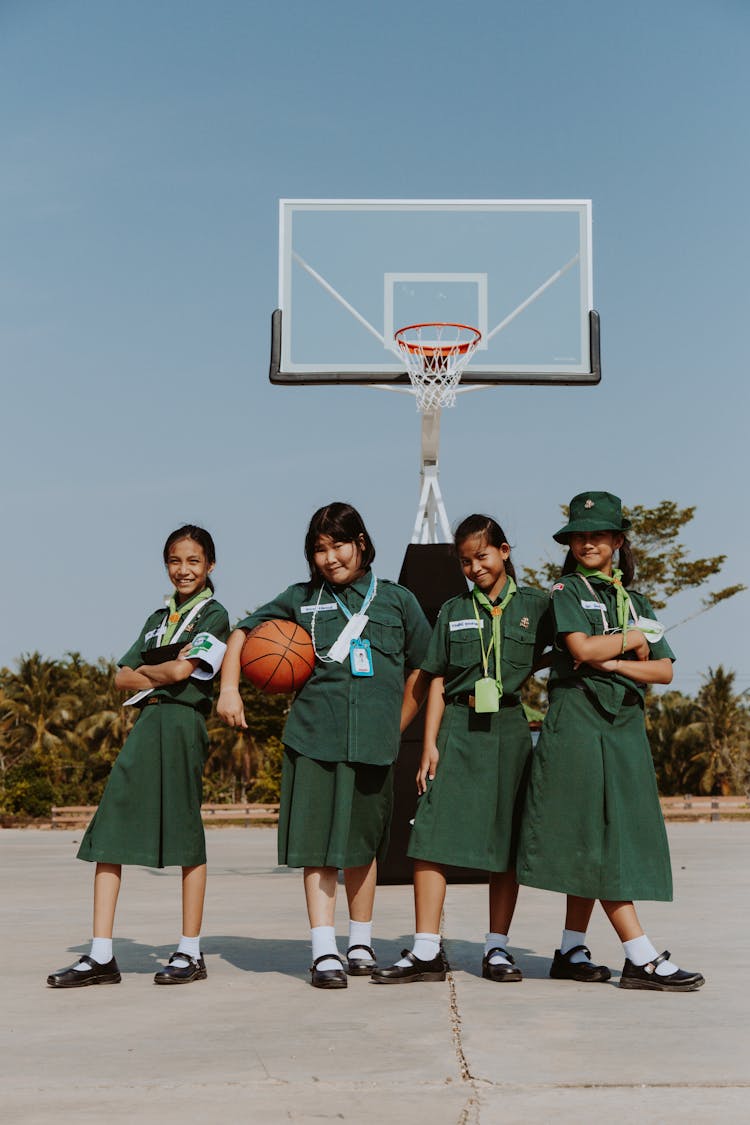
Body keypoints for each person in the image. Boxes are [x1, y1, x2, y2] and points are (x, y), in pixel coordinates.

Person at [218, 502, 431, 989]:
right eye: (319, 549)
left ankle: (360, 941)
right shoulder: (300, 598)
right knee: (317, 848)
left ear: (360, 542)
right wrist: (230, 688)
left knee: (362, 847)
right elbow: (242, 630)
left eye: (338, 545)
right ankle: (323, 950)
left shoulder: (397, 600)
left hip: (373, 746)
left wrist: (394, 724)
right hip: (313, 739)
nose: (330, 557)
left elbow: (425, 666)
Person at [516, 491, 704, 991]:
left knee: (607, 833)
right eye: (579, 535)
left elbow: (663, 669)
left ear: (619, 541)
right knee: (595, 836)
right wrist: (631, 641)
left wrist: (617, 661)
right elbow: (580, 647)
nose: (587, 543)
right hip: (578, 720)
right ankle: (639, 955)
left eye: (598, 534)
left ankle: (571, 949)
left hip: (624, 725)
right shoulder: (566, 591)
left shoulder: (637, 601)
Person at [47, 526, 230, 988]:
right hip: (146, 724)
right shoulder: (155, 619)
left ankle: (190, 950)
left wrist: (152, 670)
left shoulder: (215, 615)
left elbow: (181, 671)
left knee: (186, 833)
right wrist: (157, 671)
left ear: (210, 565)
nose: (183, 569)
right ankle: (101, 955)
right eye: (174, 560)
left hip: (184, 723)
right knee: (108, 831)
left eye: (193, 560)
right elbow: (121, 679)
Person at [373, 515, 551, 984]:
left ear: (505, 551)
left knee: (506, 844)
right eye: (467, 561)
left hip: (510, 729)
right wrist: (428, 744)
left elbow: (567, 650)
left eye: (483, 556)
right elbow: (434, 680)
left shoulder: (537, 605)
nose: (475, 568)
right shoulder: (452, 610)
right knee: (429, 836)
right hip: (456, 723)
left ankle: (496, 949)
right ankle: (427, 949)